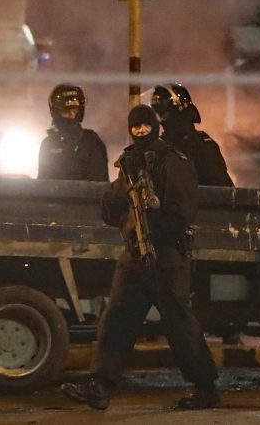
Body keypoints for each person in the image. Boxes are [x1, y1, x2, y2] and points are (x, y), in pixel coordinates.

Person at [60, 105, 219, 410]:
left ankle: (206, 387)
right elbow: (110, 212)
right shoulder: (130, 163)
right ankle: (100, 386)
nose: (141, 132)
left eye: (146, 127)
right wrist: (123, 194)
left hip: (166, 257)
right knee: (116, 319)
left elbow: (181, 213)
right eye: (136, 128)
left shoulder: (173, 161)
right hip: (134, 256)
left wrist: (153, 221)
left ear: (155, 128)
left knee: (179, 324)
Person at [151, 83, 234, 187]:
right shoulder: (160, 147)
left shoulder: (201, 147)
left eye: (163, 113)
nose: (160, 120)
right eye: (157, 113)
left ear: (177, 110)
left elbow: (222, 190)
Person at [38, 84, 109, 181]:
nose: (72, 116)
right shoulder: (48, 144)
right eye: (67, 112)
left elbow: (100, 183)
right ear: (57, 113)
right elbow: (42, 183)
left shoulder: (91, 142)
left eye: (75, 111)